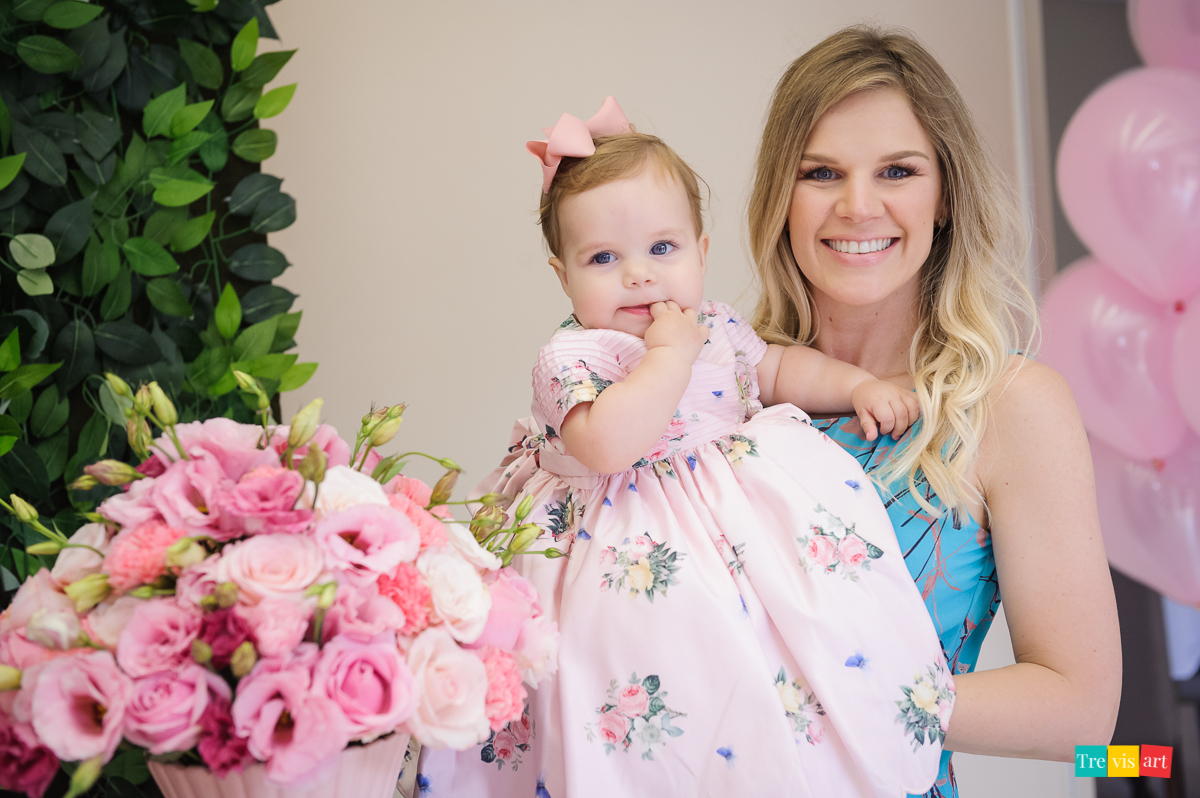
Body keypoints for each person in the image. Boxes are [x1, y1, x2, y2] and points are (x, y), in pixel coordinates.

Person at [419, 97, 960, 797]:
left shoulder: (718, 324)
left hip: (720, 529)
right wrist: (666, 360)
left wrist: (855, 385)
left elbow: (776, 370)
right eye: (604, 257)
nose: (639, 275)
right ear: (563, 275)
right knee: (626, 684)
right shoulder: (574, 355)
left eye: (662, 249)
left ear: (701, 252)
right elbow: (608, 443)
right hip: (618, 544)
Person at [745, 26, 1122, 797]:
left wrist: (845, 697)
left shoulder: (1012, 408)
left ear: (944, 194)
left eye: (897, 170)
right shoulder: (713, 388)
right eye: (820, 172)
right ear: (781, 197)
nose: (857, 205)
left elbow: (1087, 729)